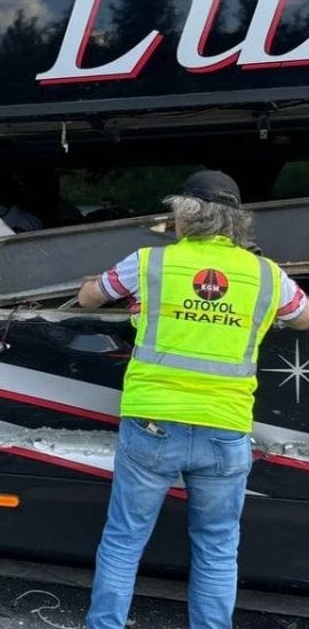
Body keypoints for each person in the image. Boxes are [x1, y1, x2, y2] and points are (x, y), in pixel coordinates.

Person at [77, 171, 309, 629]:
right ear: (236, 223)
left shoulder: (148, 263)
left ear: (183, 216)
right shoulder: (267, 275)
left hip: (152, 425)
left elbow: (88, 299)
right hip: (225, 428)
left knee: (124, 541)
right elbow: (302, 318)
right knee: (217, 547)